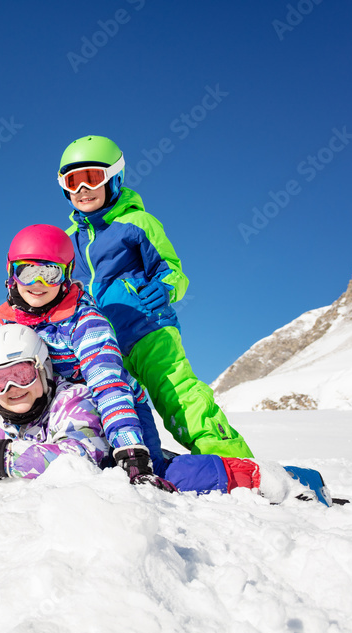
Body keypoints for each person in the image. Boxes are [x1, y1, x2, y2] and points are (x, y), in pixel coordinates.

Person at [0, 325, 334, 506]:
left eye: (21, 373)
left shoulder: (73, 401)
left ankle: (286, 479)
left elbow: (75, 461)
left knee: (185, 476)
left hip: (123, 463)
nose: (12, 390)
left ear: (42, 370)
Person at [57, 135, 252, 458]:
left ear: (114, 177)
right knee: (117, 405)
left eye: (91, 177)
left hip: (148, 329)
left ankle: (232, 459)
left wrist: (165, 289)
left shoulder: (136, 224)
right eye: (72, 181)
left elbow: (173, 270)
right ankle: (142, 461)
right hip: (100, 343)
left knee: (177, 394)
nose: (82, 190)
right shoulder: (67, 242)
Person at [0, 224, 168, 476]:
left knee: (152, 475)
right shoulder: (7, 324)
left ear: (66, 274)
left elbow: (108, 381)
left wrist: (129, 447)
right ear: (11, 273)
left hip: (115, 412)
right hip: (51, 415)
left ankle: (219, 470)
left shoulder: (84, 321)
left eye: (50, 273)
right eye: (27, 271)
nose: (38, 282)